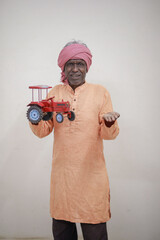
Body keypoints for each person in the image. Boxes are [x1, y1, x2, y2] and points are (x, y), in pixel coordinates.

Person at [29, 40, 120, 240]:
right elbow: (44, 131)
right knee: (62, 233)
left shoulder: (100, 92)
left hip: (92, 178)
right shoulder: (54, 93)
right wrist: (34, 117)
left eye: (80, 63)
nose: (75, 69)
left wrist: (108, 122)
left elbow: (109, 136)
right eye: (70, 64)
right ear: (63, 67)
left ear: (87, 66)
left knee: (95, 232)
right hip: (63, 180)